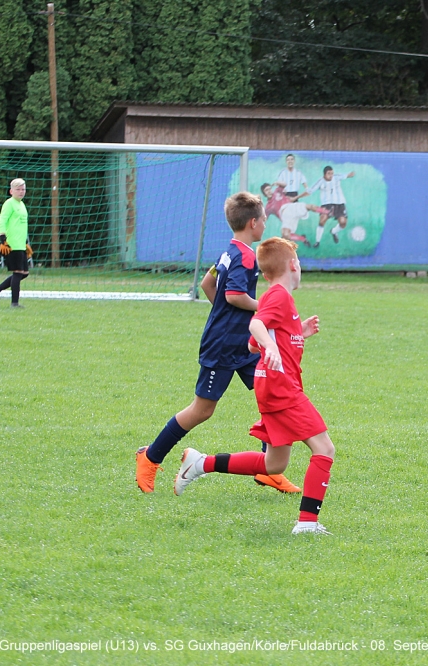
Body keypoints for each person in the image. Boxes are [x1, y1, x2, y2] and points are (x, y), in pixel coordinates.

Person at [135, 192, 301, 496]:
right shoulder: (246, 256)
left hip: (245, 344)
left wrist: (228, 316)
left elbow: (207, 284)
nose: (266, 224)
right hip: (223, 345)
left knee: (274, 395)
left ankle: (270, 470)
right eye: (264, 219)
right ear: (253, 223)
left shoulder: (230, 250)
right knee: (202, 410)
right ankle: (151, 456)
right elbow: (233, 295)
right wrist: (263, 306)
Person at [174, 237, 336, 536]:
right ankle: (307, 523)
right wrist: (270, 347)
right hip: (281, 387)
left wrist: (297, 333)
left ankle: (200, 463)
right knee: (324, 448)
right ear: (293, 265)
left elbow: (252, 345)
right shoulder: (278, 295)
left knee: (275, 464)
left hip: (272, 386)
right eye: (299, 263)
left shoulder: (281, 299)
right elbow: (256, 326)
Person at [0, 178, 32, 308]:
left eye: (23, 189)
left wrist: (25, 243)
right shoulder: (9, 203)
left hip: (20, 245)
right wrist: (3, 239)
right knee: (17, 272)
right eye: (18, 189)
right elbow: (2, 221)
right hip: (11, 244)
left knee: (24, 273)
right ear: (11, 191)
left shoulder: (22, 205)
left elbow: (20, 226)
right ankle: (14, 303)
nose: (21, 191)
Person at [307, 166, 354, 248]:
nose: (331, 175)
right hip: (327, 204)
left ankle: (334, 231)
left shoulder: (336, 177)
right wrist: (297, 197)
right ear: (324, 174)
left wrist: (351, 174)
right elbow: (310, 191)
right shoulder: (320, 182)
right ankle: (317, 242)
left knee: (343, 222)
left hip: (340, 204)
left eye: (332, 173)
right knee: (322, 220)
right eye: (329, 173)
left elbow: (346, 175)